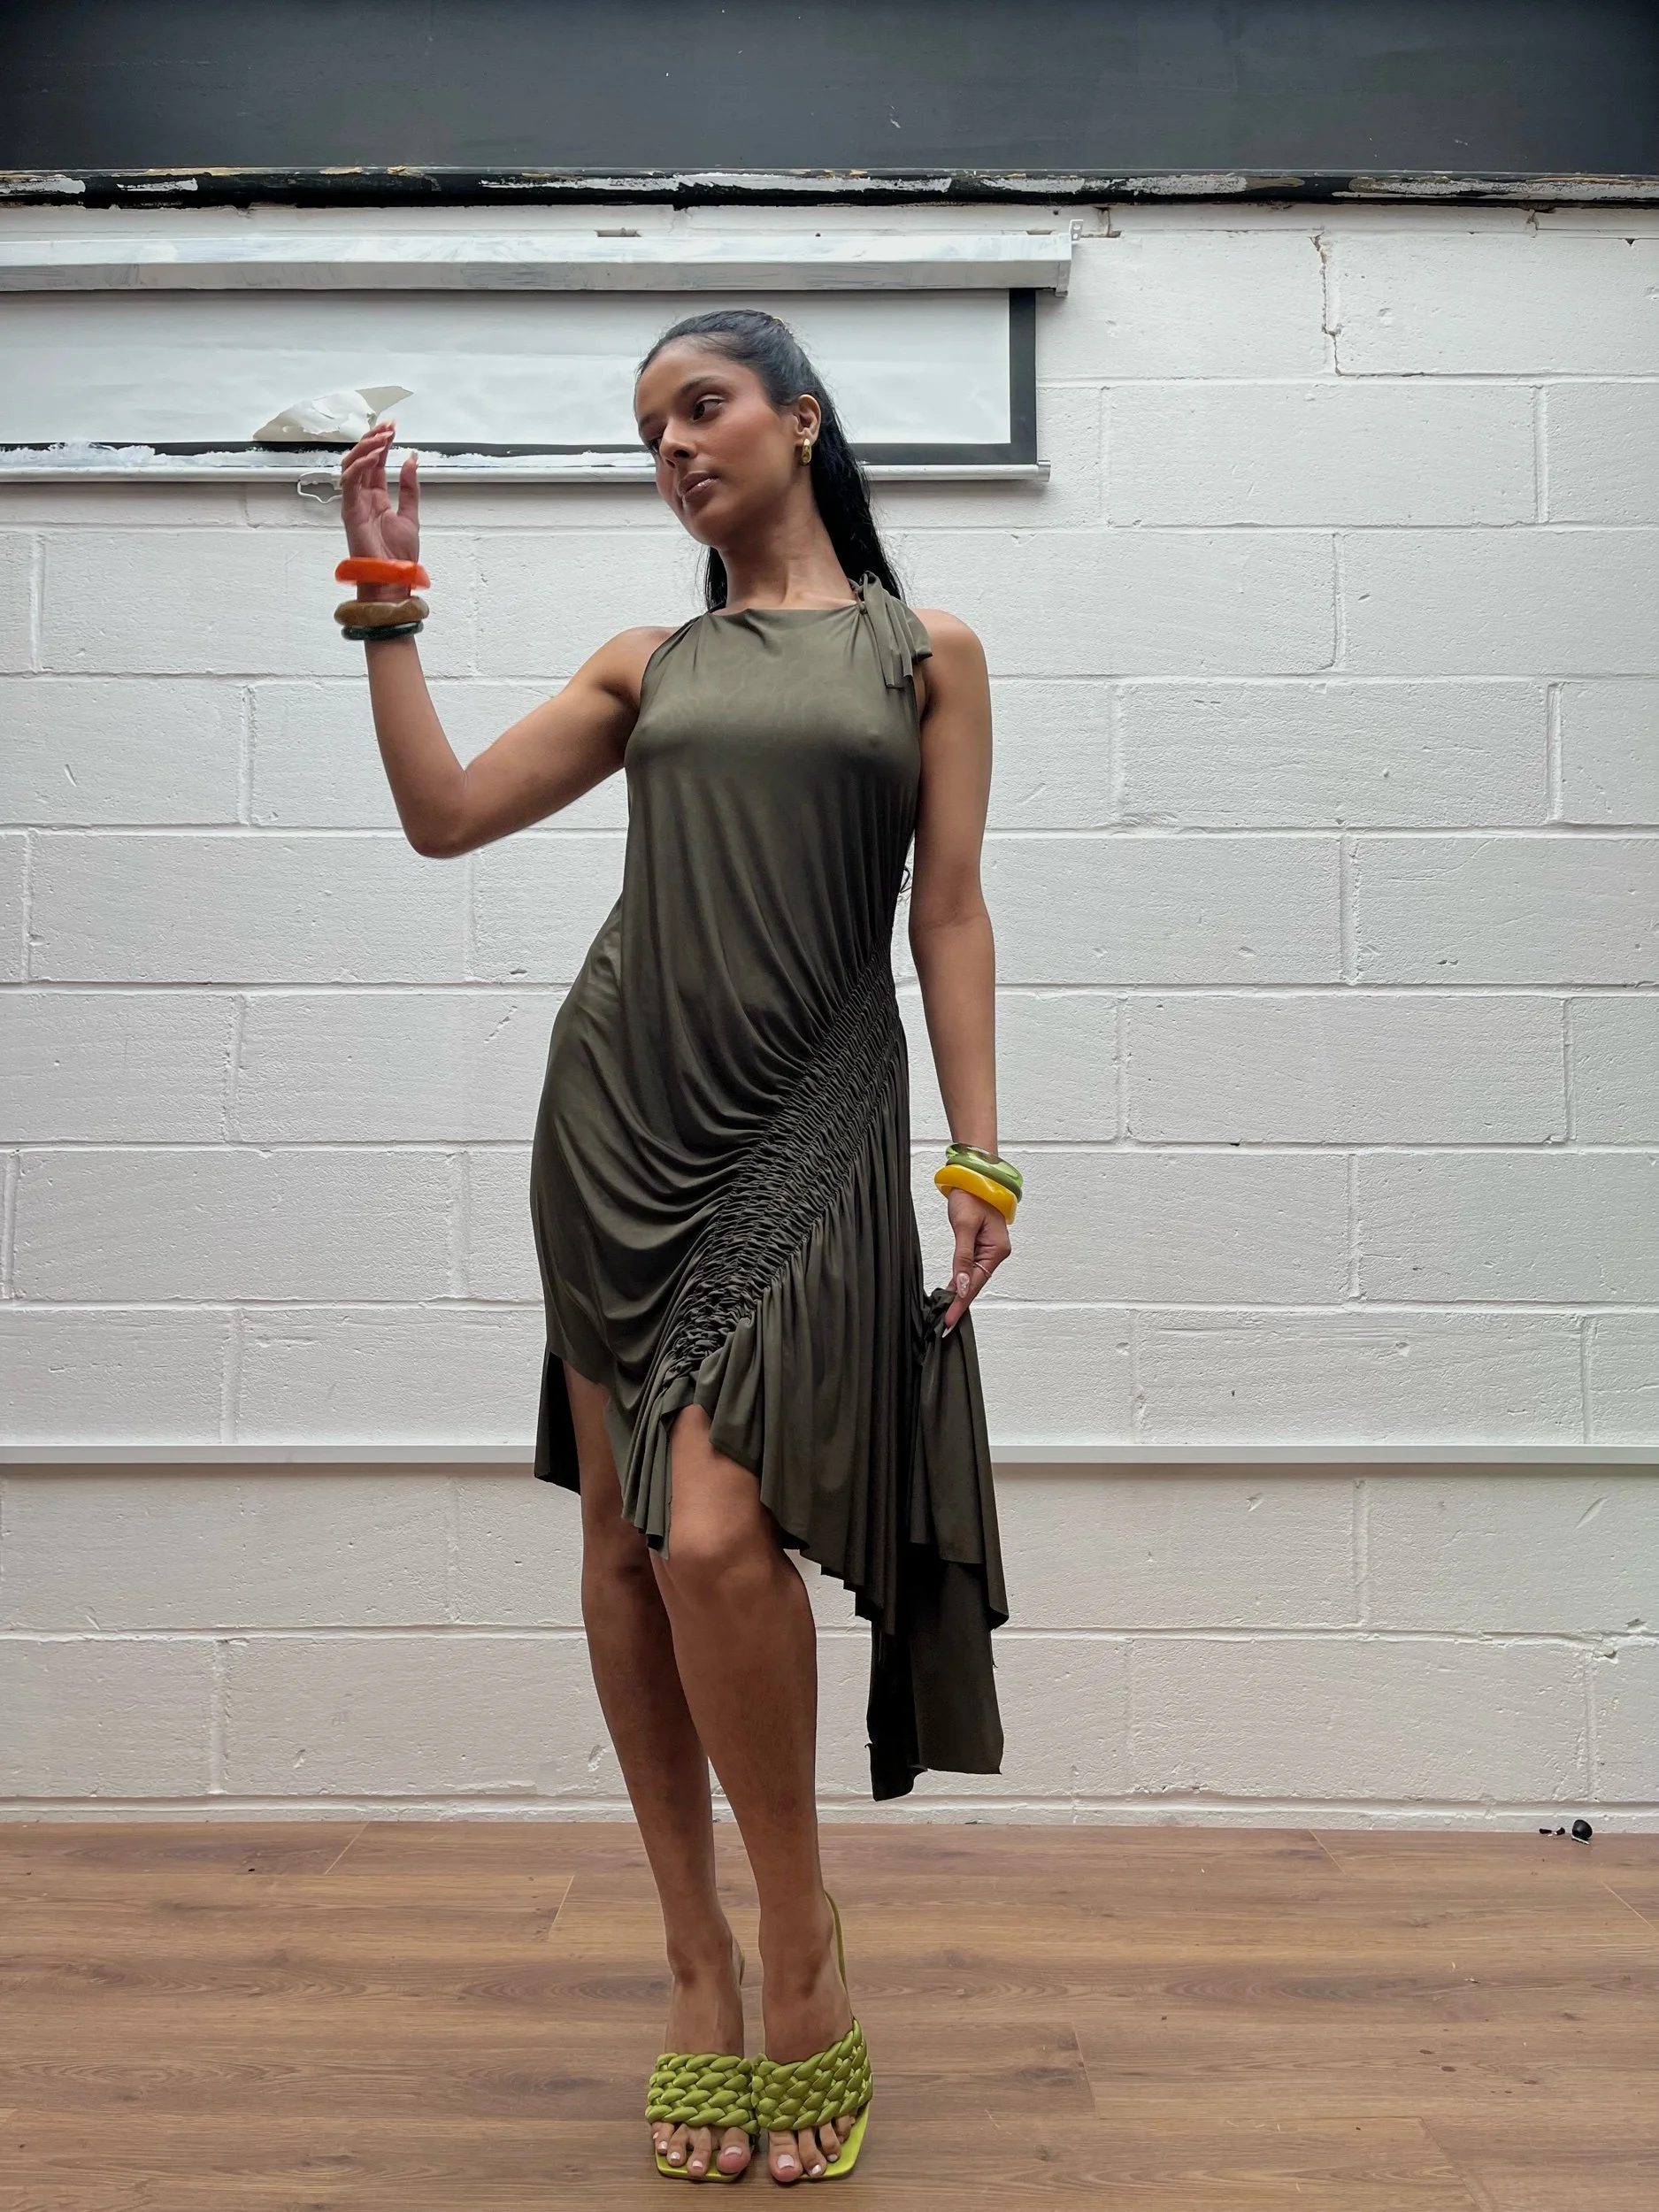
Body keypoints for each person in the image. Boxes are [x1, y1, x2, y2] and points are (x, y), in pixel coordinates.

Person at [334, 307, 1021, 2185]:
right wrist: (384, 598)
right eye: (650, 430)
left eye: (701, 407)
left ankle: (798, 1940)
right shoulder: (646, 664)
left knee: (714, 1533)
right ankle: (692, 1956)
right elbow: (443, 817)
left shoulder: (927, 653)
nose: (675, 447)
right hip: (617, 1126)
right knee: (627, 1553)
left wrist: (979, 1151)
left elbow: (949, 909)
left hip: (809, 1119)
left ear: (801, 418)